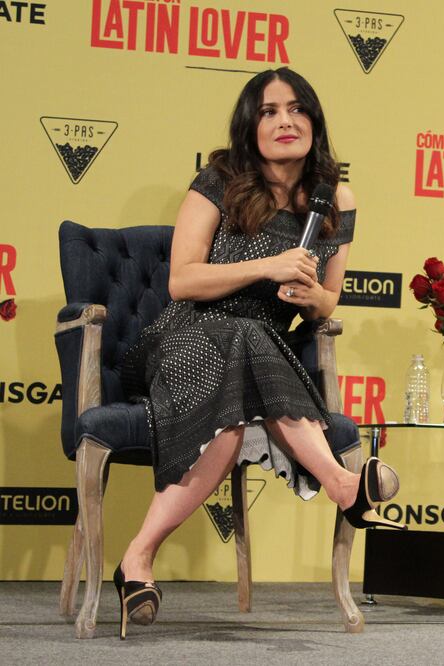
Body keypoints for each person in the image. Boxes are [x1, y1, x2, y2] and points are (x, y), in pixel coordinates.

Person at [117, 67, 403, 640]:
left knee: (231, 409)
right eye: (269, 112)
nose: (284, 121)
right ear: (251, 127)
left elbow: (328, 304)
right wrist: (266, 267)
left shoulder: (334, 199)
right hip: (185, 335)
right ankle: (343, 485)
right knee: (240, 336)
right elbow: (181, 281)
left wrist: (309, 294)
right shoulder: (220, 179)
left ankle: (135, 561)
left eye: (296, 109)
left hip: (262, 349)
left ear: (314, 121)